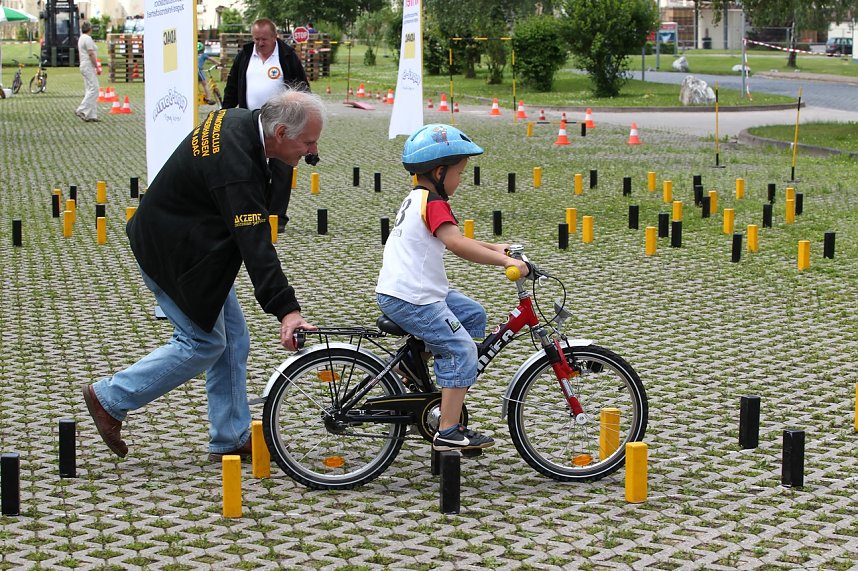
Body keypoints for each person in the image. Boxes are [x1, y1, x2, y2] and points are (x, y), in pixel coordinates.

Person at [81, 89, 326, 462]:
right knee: (203, 343)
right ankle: (110, 398)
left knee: (234, 340)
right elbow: (255, 244)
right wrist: (287, 310)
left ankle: (229, 437)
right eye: (308, 142)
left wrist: (282, 178)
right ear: (280, 132)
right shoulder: (237, 167)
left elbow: (271, 195)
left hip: (193, 242)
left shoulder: (249, 124)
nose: (312, 152)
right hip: (173, 251)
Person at [375, 124, 529, 451]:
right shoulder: (433, 203)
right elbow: (456, 245)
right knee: (462, 349)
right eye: (459, 172)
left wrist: (495, 248)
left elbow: (454, 237)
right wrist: (504, 263)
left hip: (407, 290)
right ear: (439, 171)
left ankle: (413, 366)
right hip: (413, 298)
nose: (461, 179)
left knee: (473, 315)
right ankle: (447, 431)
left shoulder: (420, 197)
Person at [223, 18, 311, 231]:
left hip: (282, 121)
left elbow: (302, 88)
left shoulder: (287, 56)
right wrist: (224, 113)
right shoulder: (245, 56)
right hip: (250, 120)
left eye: (264, 39)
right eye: (256, 39)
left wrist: (305, 121)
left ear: (274, 37)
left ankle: (277, 218)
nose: (260, 43)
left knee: (282, 168)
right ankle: (256, 212)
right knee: (252, 167)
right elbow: (232, 86)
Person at [75, 21, 101, 122]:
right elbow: (91, 53)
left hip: (84, 65)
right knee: (95, 88)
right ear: (90, 29)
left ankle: (91, 115)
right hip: (88, 65)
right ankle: (82, 109)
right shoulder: (88, 39)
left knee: (89, 89)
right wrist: (97, 66)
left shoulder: (81, 38)